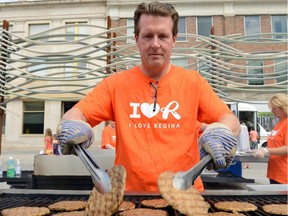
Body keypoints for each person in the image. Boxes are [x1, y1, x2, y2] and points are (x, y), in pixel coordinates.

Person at [56, 1, 241, 192]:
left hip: (185, 196)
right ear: (136, 39)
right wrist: (72, 125)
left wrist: (223, 132)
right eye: (147, 36)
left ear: (174, 39)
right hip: (129, 198)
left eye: (162, 36)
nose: (155, 44)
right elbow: (75, 115)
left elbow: (230, 120)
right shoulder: (115, 84)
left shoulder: (193, 83)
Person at [253, 93, 288, 184]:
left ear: (283, 108)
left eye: (274, 108)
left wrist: (267, 151)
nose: (272, 111)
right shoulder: (278, 124)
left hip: (284, 174)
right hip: (274, 173)